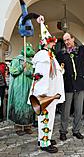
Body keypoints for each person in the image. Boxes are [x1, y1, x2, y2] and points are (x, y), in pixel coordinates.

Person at [56, 27, 84, 141]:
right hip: (68, 85)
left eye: (68, 39)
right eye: (64, 40)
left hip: (80, 85)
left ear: (73, 39)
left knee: (78, 110)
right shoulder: (60, 54)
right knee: (65, 111)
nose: (66, 42)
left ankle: (76, 130)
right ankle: (63, 131)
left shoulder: (82, 50)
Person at [29, 19, 65, 153]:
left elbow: (55, 73)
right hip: (46, 95)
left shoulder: (49, 56)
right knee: (46, 118)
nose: (54, 44)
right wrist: (43, 96)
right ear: (46, 43)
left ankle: (44, 138)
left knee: (47, 118)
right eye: (52, 42)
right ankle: (44, 143)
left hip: (50, 94)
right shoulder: (44, 57)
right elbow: (42, 78)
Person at [7, 43, 35, 135]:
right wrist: (21, 67)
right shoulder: (16, 60)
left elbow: (34, 74)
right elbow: (12, 71)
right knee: (19, 104)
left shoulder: (32, 62)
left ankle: (27, 126)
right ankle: (18, 126)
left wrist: (29, 73)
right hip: (18, 87)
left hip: (28, 86)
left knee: (28, 105)